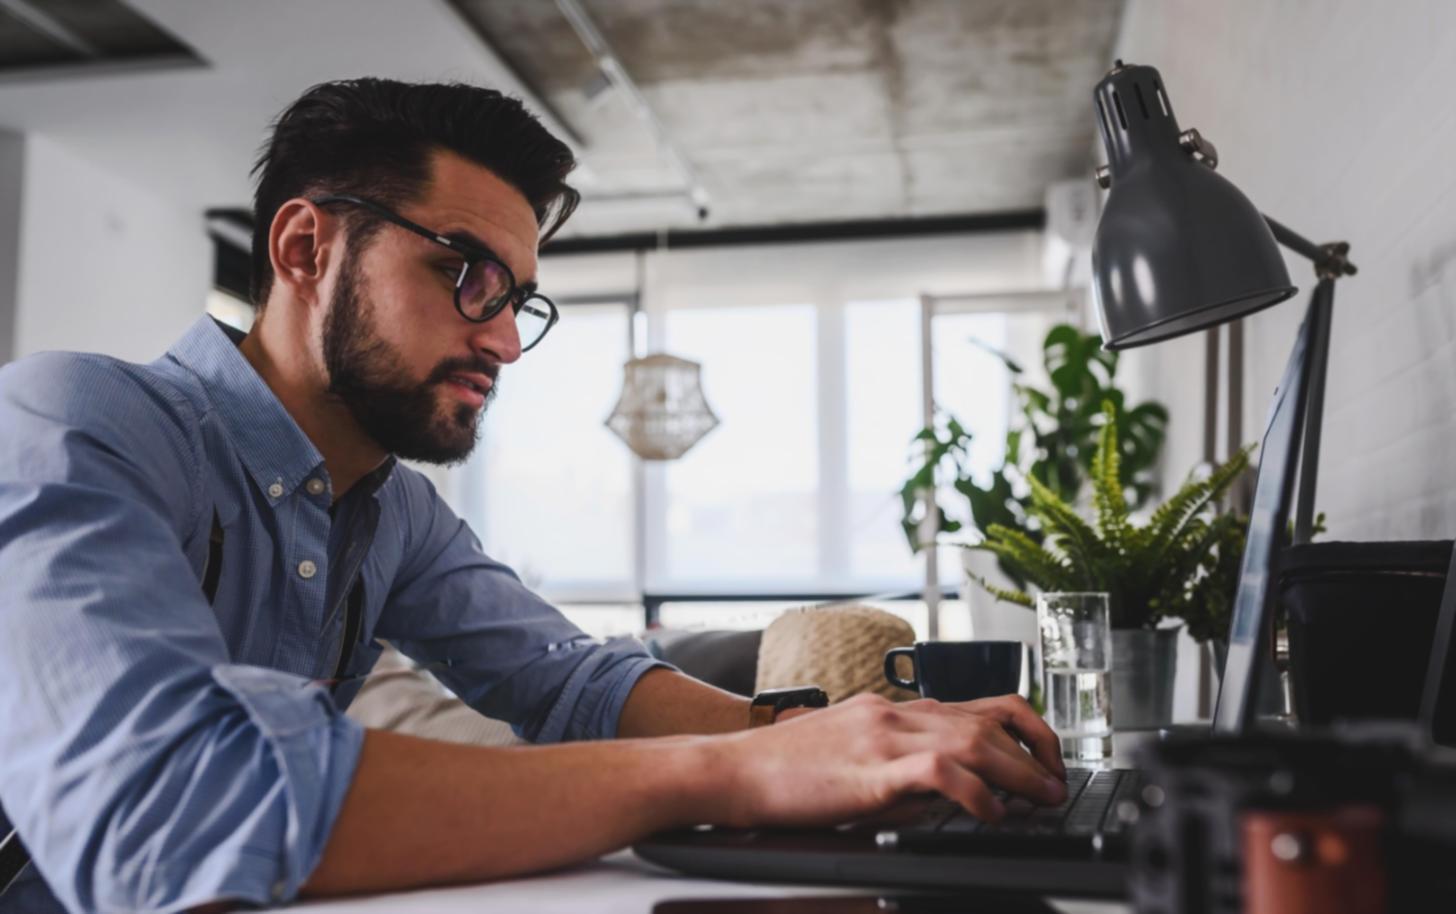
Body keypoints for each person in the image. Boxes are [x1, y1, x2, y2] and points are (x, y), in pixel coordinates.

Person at [0, 78, 1066, 912]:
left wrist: (842, 742)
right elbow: (169, 809)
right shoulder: (72, 420)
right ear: (303, 246)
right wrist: (726, 771)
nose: (505, 338)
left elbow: (571, 682)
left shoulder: (386, 505)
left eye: (518, 300)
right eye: (465, 273)